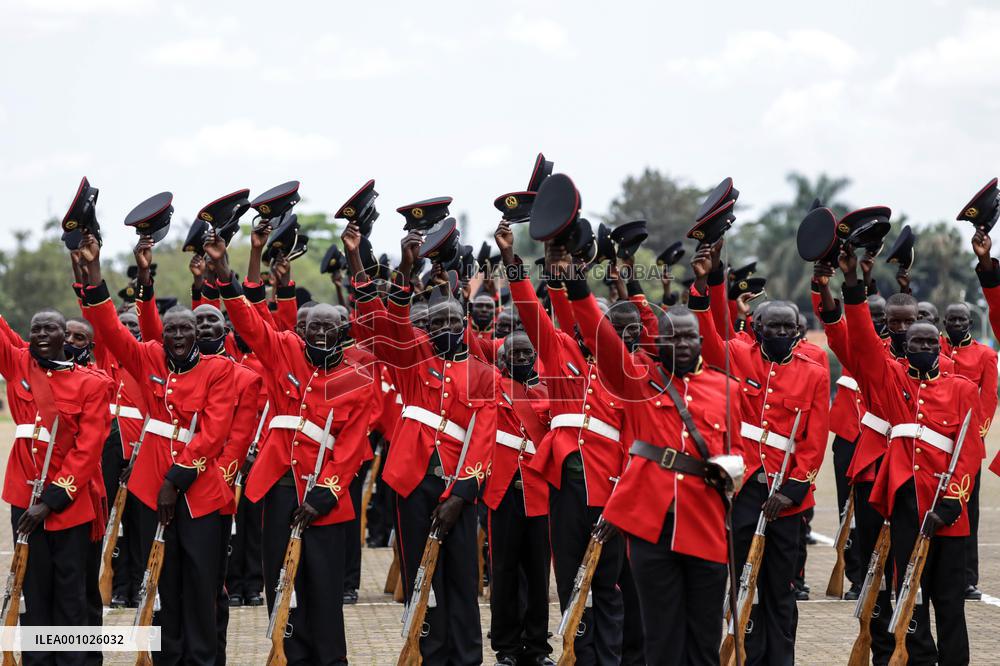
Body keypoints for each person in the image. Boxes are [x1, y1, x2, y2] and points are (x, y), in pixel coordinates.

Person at [206, 229, 374, 666]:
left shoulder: (357, 377)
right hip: (279, 483)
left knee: (322, 586)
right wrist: (232, 264)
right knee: (282, 583)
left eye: (329, 327)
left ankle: (329, 659)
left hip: (325, 498)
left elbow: (354, 443)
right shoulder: (286, 351)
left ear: (342, 332)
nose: (319, 332)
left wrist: (327, 491)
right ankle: (288, 654)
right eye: (312, 325)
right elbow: (246, 320)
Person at [562, 258, 741, 666]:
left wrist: (731, 475)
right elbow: (601, 337)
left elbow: (739, 457)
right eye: (672, 338)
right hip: (652, 526)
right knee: (660, 637)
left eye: (689, 338)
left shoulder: (726, 389)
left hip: (707, 523)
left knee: (704, 638)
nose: (681, 345)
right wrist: (574, 280)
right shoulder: (639, 379)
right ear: (657, 341)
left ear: (701, 341)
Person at [78, 233, 236, 665]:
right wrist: (92, 272)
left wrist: (177, 480)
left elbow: (214, 432)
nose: (181, 335)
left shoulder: (218, 370)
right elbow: (109, 328)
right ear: (162, 336)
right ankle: (170, 658)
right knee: (164, 580)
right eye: (173, 330)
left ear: (198, 336)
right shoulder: (148, 358)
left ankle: (203, 658)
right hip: (152, 489)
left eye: (188, 329)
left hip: (197, 490)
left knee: (202, 582)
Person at [350, 224, 497, 665]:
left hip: (457, 485)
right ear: (427, 328)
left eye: (452, 321)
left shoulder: (482, 372)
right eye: (436, 322)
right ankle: (427, 650)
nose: (445, 328)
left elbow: (484, 435)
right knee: (420, 574)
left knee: (461, 576)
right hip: (412, 479)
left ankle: (466, 654)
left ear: (463, 323)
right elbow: (389, 325)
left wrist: (462, 494)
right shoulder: (414, 358)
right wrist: (401, 270)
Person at [689, 241, 829, 665]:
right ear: (756, 327)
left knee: (780, 589)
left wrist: (792, 488)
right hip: (743, 486)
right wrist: (705, 283)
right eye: (774, 327)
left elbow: (814, 438)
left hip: (786, 497)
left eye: (790, 329)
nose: (783, 334)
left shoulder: (814, 371)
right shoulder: (736, 354)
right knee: (740, 582)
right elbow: (706, 330)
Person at [840, 246, 981, 665]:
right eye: (912, 340)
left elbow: (969, 451)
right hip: (905, 504)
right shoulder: (892, 379)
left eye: (927, 340)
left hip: (947, 512)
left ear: (938, 344)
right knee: (911, 596)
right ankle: (918, 658)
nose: (920, 346)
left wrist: (952, 502)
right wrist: (852, 285)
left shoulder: (961, 388)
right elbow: (864, 342)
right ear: (904, 344)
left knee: (950, 602)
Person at [499, 226, 630, 665]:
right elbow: (531, 309)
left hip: (611, 484)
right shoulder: (558, 352)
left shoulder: (623, 369)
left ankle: (606, 657)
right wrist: (513, 261)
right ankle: (576, 649)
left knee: (608, 582)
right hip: (567, 479)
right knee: (570, 576)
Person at [0, 308, 113, 666]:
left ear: (66, 337)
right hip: (23, 495)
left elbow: (88, 449)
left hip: (68, 503)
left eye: (50, 329)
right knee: (33, 587)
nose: (42, 335)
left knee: (70, 592)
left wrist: (50, 501)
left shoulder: (92, 383)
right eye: (36, 330)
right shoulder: (19, 365)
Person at [481, 330, 553, 666]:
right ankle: (506, 647)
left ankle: (537, 647)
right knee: (504, 573)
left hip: (538, 490)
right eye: (515, 355)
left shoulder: (548, 390)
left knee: (539, 576)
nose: (522, 360)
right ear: (503, 359)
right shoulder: (492, 388)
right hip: (503, 490)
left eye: (527, 354)